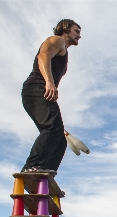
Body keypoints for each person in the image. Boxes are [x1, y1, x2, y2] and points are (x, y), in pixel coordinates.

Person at [21, 19, 81, 173]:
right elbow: (43, 56)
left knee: (60, 140)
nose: (79, 36)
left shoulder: (63, 50)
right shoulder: (57, 40)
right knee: (53, 128)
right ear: (66, 28)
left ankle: (44, 177)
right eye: (77, 31)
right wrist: (49, 82)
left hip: (39, 91)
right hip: (37, 88)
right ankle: (31, 168)